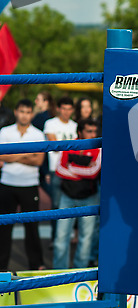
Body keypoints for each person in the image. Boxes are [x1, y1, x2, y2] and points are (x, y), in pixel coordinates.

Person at [0, 99, 45, 271]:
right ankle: (1, 268)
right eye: (21, 111)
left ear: (31, 114)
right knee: (3, 228)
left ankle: (36, 266)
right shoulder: (4, 132)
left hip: (29, 185)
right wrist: (27, 154)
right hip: (7, 184)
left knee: (32, 228)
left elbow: (39, 160)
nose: (24, 115)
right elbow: (1, 156)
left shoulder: (38, 134)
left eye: (28, 112)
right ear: (16, 111)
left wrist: (13, 154)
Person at [52, 118, 101, 269]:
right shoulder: (70, 144)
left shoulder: (99, 147)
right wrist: (83, 171)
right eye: (89, 131)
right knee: (61, 238)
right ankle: (59, 275)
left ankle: (80, 275)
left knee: (86, 239)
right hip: (67, 196)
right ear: (80, 132)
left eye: (94, 131)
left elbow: (93, 172)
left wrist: (71, 167)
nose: (92, 135)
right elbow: (59, 169)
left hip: (89, 197)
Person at [43, 97, 78, 218]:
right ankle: (55, 236)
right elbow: (55, 145)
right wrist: (71, 149)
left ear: (72, 110)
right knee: (56, 205)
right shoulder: (50, 123)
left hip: (72, 169)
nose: (66, 112)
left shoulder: (75, 125)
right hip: (56, 169)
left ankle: (69, 235)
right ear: (58, 109)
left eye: (69, 109)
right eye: (64, 109)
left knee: (74, 205)